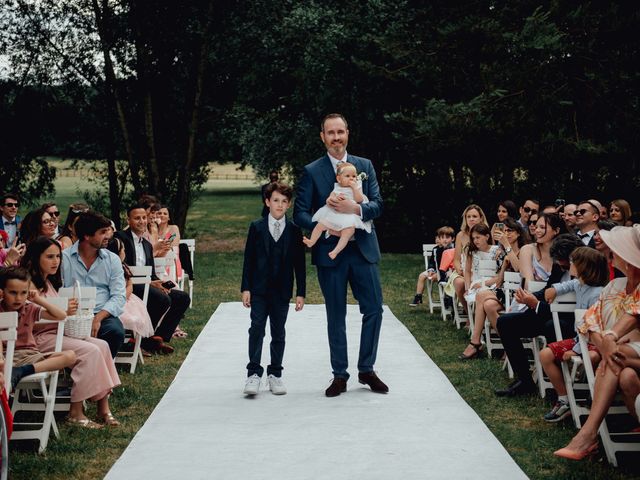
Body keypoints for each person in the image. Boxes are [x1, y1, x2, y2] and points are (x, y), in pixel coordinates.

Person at [293, 113, 387, 397]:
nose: (336, 137)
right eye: (330, 133)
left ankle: (367, 369)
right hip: (330, 254)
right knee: (336, 314)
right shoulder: (312, 171)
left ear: (348, 133)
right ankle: (339, 375)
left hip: (363, 250)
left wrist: (356, 210)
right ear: (322, 136)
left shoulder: (364, 166)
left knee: (374, 309)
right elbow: (299, 214)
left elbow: (378, 205)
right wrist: (329, 221)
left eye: (341, 132)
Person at [554, 225, 640, 460]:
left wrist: (609, 343)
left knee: (616, 353)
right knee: (626, 376)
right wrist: (604, 344)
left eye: (616, 250)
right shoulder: (615, 286)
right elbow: (588, 322)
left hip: (632, 351)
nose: (611, 253)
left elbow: (634, 314)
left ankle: (587, 434)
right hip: (623, 359)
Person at [23, 237, 121, 428]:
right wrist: (60, 313)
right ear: (36, 258)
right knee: (89, 351)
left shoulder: (48, 282)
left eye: (58, 256)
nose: (55, 261)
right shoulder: (29, 286)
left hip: (58, 334)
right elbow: (29, 322)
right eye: (49, 257)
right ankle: (75, 412)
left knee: (101, 345)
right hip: (39, 339)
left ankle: (103, 406)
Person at [494, 234, 583, 397]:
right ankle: (525, 381)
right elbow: (549, 288)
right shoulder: (559, 266)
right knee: (505, 322)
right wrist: (530, 297)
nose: (559, 265)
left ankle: (558, 385)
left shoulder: (585, 272)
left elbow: (576, 311)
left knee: (551, 326)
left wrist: (536, 304)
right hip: (547, 314)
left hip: (570, 322)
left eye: (562, 262)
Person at [241, 182, 305, 396]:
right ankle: (253, 374)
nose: (279, 205)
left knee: (278, 332)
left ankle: (275, 374)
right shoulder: (256, 227)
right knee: (257, 328)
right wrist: (246, 287)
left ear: (289, 205)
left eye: (284, 201)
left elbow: (299, 264)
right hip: (259, 290)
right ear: (267, 202)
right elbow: (248, 259)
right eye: (275, 200)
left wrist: (300, 292)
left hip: (282, 291)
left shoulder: (295, 230)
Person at [539, 247, 609, 422]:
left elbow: (593, 328)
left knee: (592, 357)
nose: (569, 264)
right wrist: (554, 289)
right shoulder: (580, 284)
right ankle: (565, 398)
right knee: (545, 354)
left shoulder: (597, 294)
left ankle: (593, 396)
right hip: (581, 340)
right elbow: (567, 285)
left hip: (596, 342)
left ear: (584, 266)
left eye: (573, 262)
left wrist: (577, 350)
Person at [115, 205, 190, 354]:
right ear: (128, 220)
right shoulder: (121, 238)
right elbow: (121, 269)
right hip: (130, 285)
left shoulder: (147, 244)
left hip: (148, 283)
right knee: (162, 299)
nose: (142, 221)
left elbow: (152, 273)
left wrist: (159, 283)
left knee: (182, 297)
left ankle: (157, 337)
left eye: (144, 218)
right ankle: (142, 338)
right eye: (137, 218)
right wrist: (150, 283)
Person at [61, 211, 126, 357]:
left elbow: (119, 296)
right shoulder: (63, 259)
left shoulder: (112, 259)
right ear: (87, 236)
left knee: (115, 332)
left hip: (102, 313)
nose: (108, 236)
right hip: (70, 316)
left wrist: (98, 318)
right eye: (102, 232)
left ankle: (103, 371)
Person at [460, 217, 526, 360]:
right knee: (488, 305)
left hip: (517, 292)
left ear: (519, 233)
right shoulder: (502, 252)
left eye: (510, 231)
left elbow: (520, 270)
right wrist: (503, 260)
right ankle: (508, 343)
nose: (506, 233)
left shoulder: (524, 251)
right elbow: (501, 279)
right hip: (503, 289)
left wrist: (506, 248)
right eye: (505, 231)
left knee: (483, 297)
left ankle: (475, 342)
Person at [0, 266, 75, 391]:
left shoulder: (30, 308)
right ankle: (14, 374)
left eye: (23, 292)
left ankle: (21, 371)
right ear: (2, 291)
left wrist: (38, 300)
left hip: (30, 356)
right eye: (13, 292)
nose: (18, 298)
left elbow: (62, 315)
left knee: (70, 356)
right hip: (4, 358)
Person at [303, 162, 372, 260]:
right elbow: (329, 199)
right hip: (335, 214)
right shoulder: (337, 188)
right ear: (339, 179)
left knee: (348, 232)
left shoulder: (356, 187)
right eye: (347, 176)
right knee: (320, 225)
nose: (351, 178)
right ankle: (312, 241)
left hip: (349, 216)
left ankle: (335, 251)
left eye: (354, 176)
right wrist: (334, 199)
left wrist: (354, 189)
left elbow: (359, 200)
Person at [451, 204, 489, 317]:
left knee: (477, 283)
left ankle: (480, 314)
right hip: (463, 269)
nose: (471, 219)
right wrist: (460, 270)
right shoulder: (460, 235)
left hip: (481, 270)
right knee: (459, 282)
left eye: (474, 216)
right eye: (468, 216)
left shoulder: (487, 234)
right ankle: (469, 314)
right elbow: (456, 259)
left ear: (481, 218)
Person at [410, 226, 455, 307]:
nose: (444, 240)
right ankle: (418, 296)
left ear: (453, 239)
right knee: (422, 276)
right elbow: (432, 262)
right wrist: (431, 269)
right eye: (442, 237)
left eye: (447, 237)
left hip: (449, 271)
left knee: (447, 278)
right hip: (436, 270)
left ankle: (448, 298)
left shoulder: (454, 249)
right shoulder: (437, 250)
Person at [519, 213, 567, 289]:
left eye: (542, 227)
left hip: (559, 298)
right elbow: (528, 285)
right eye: (536, 227)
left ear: (556, 230)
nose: (537, 231)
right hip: (529, 297)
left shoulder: (565, 252)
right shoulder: (527, 250)